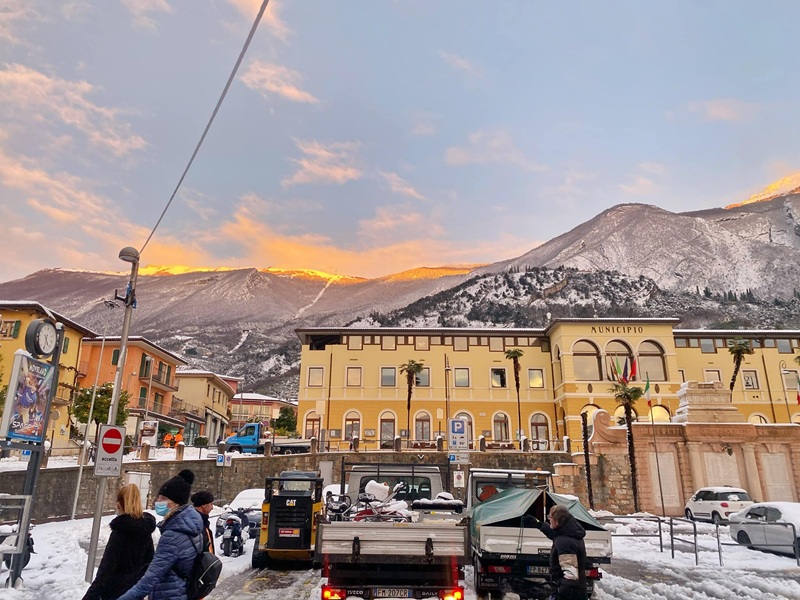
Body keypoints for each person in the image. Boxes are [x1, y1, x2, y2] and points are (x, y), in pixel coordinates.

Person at [117, 469, 203, 600]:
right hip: (182, 592)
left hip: (169, 595)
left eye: (163, 498)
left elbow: (151, 579)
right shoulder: (192, 527)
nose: (158, 501)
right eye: (158, 497)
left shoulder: (173, 535)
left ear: (176, 503)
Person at [82, 484, 156, 600]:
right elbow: (150, 562)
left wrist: (90, 596)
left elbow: (106, 568)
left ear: (119, 505)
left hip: (114, 591)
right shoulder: (145, 531)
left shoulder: (120, 532)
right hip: (135, 592)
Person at [533, 505, 588, 600]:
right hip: (578, 589)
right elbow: (555, 534)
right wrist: (539, 524)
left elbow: (570, 575)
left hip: (570, 593)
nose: (549, 520)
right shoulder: (570, 531)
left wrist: (560, 594)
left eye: (550, 518)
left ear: (557, 521)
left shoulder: (565, 542)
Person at [191, 490, 215, 554]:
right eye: (211, 504)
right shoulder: (195, 523)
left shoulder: (203, 521)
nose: (212, 507)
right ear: (204, 505)